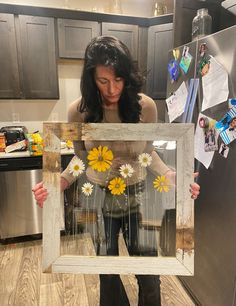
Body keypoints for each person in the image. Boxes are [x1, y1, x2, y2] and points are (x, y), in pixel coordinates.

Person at [33, 36, 200, 306]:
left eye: (119, 79)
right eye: (103, 81)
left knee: (149, 276)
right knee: (107, 275)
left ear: (127, 76)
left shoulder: (145, 107)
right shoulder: (78, 111)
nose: (112, 89)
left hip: (139, 194)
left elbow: (147, 152)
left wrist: (169, 175)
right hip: (97, 196)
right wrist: (59, 182)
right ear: (91, 79)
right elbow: (82, 156)